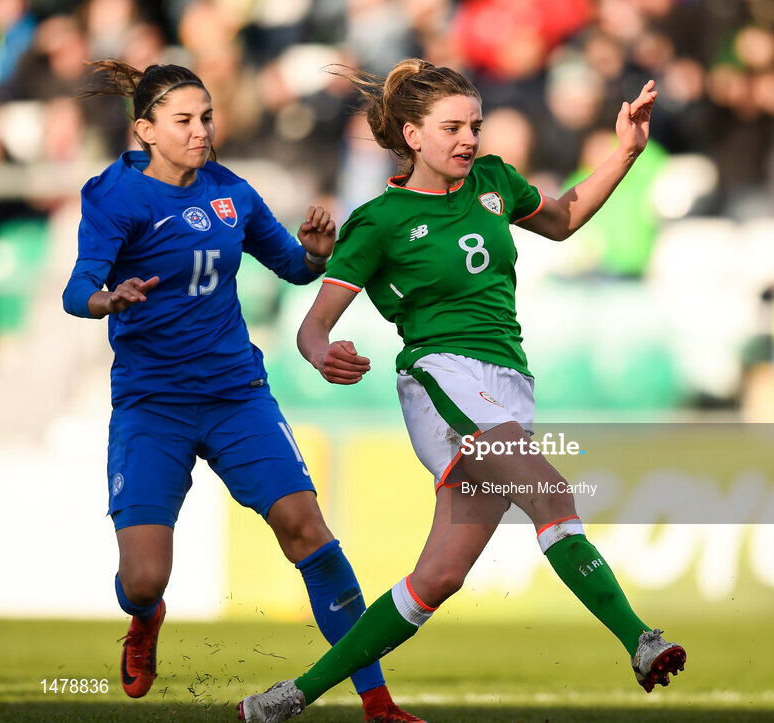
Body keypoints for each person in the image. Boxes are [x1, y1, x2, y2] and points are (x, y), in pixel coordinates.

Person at [238, 58, 686, 723]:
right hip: (441, 376)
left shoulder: (494, 181)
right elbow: (314, 325)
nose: (469, 138)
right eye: (453, 127)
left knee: (438, 578)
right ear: (413, 135)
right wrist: (320, 353)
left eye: (474, 124)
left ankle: (289, 697)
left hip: (508, 382)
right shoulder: (380, 219)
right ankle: (641, 639)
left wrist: (625, 152)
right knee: (551, 492)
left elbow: (562, 220)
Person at [61, 61, 421, 723]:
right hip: (152, 405)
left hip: (237, 395)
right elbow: (74, 288)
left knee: (307, 529)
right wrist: (105, 296)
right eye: (184, 121)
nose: (201, 131)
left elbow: (289, 265)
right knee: (143, 578)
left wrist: (314, 254)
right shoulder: (113, 195)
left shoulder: (232, 191)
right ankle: (145, 617)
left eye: (206, 117)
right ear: (145, 129)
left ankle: (376, 700)